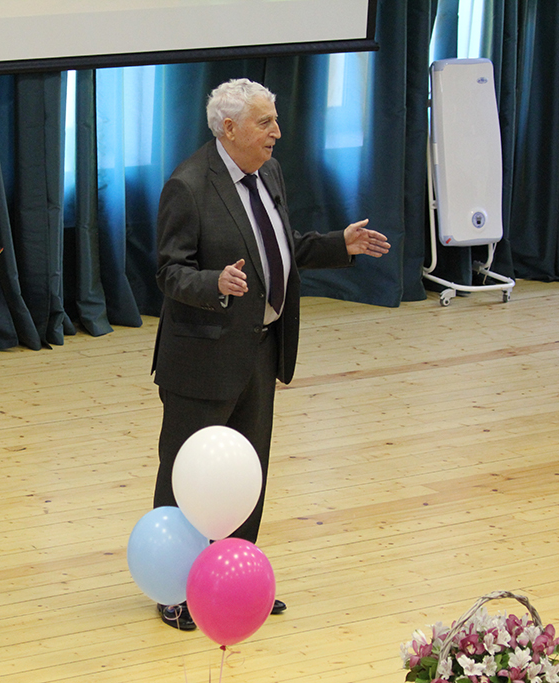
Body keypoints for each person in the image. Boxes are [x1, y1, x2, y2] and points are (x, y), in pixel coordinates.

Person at [150, 78, 390, 630]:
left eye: (276, 120)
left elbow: (280, 248)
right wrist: (214, 282)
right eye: (265, 122)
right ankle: (173, 588)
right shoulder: (188, 185)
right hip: (203, 359)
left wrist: (338, 245)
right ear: (229, 128)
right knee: (186, 474)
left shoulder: (269, 173)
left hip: (259, 349)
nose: (277, 132)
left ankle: (234, 580)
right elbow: (169, 271)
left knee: (247, 473)